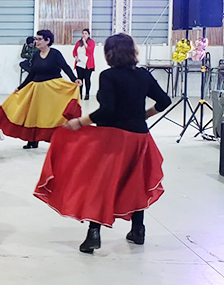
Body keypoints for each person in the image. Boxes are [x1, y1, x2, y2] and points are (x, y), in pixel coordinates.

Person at [34, 33, 171, 254]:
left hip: (115, 138)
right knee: (136, 181)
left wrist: (80, 122)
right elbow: (164, 101)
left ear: (109, 53)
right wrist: (144, 115)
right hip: (140, 138)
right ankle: (138, 230)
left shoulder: (109, 76)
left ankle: (94, 234)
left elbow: (107, 110)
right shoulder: (144, 75)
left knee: (101, 184)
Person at [0, 30, 82, 150]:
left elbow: (65, 67)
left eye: (40, 39)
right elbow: (32, 74)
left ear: (48, 41)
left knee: (51, 114)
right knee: (34, 114)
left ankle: (56, 137)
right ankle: (32, 140)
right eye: (36, 39)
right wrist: (20, 87)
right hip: (37, 90)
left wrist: (75, 79)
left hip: (53, 90)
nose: (37, 41)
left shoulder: (55, 54)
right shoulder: (36, 55)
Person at [73, 28, 96, 100]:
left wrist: (85, 43)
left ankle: (87, 94)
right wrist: (76, 57)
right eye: (83, 33)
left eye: (86, 33)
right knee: (80, 79)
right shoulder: (78, 42)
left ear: (88, 35)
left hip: (88, 64)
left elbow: (90, 50)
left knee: (87, 79)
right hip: (80, 63)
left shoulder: (92, 42)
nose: (84, 35)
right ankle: (80, 94)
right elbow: (74, 52)